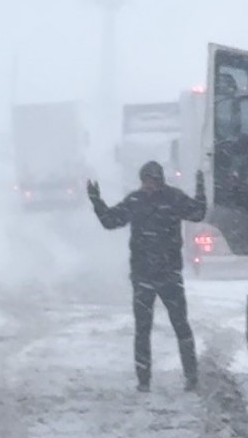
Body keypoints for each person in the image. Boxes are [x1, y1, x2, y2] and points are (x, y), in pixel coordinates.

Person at [87, 161, 207, 393]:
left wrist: (201, 191)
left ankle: (191, 377)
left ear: (159, 181)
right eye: (145, 181)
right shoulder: (148, 200)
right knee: (144, 329)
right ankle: (144, 380)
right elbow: (110, 221)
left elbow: (198, 214)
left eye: (151, 181)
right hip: (148, 275)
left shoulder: (165, 199)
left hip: (165, 275)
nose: (147, 186)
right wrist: (97, 202)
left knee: (179, 326)